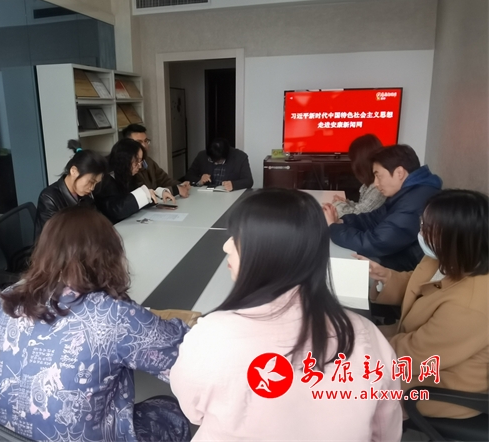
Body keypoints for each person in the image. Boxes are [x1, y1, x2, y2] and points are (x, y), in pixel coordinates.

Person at [170, 189, 402, 441]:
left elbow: (193, 411)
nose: (226, 246)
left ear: (270, 251)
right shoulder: (364, 335)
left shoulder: (212, 336)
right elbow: (385, 432)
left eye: (238, 238)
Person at [0, 206, 191, 442]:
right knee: (170, 412)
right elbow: (184, 356)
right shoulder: (114, 315)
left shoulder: (7, 299)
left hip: (2, 436)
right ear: (109, 255)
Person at [363, 189, 488, 419]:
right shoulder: (443, 257)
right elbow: (420, 286)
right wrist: (385, 277)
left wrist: (360, 348)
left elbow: (414, 354)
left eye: (428, 228)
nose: (420, 232)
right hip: (416, 350)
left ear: (457, 237)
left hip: (442, 385)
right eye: (422, 224)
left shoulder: (470, 304)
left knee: (344, 386)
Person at [323, 144, 442, 272]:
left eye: (378, 176)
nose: (376, 183)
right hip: (398, 255)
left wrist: (333, 228)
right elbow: (373, 218)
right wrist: (341, 221)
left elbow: (376, 242)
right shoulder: (410, 192)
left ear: (399, 173)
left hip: (410, 269)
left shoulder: (415, 201)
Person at [35, 140, 108, 237]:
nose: (92, 187)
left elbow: (96, 222)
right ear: (74, 171)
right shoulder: (49, 198)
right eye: (91, 181)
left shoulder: (85, 195)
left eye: (96, 183)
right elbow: (55, 238)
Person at [94, 138, 175, 223]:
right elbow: (116, 210)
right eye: (137, 161)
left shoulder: (129, 174)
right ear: (125, 159)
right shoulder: (105, 179)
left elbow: (139, 195)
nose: (140, 166)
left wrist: (158, 194)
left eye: (141, 161)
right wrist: (145, 194)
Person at [123, 124, 190, 198]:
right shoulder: (128, 166)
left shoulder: (148, 161)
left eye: (146, 141)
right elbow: (145, 194)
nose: (144, 145)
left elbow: (164, 180)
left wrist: (180, 185)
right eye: (139, 142)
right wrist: (175, 190)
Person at [330, 134, 386, 218]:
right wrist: (346, 203)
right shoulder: (371, 183)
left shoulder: (378, 187)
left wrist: (337, 205)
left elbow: (358, 216)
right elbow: (363, 206)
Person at [184, 137, 253, 191]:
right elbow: (188, 176)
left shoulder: (240, 157)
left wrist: (233, 185)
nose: (215, 163)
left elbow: (249, 181)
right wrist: (200, 181)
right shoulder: (202, 156)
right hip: (207, 196)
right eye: (212, 160)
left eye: (218, 161)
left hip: (229, 196)